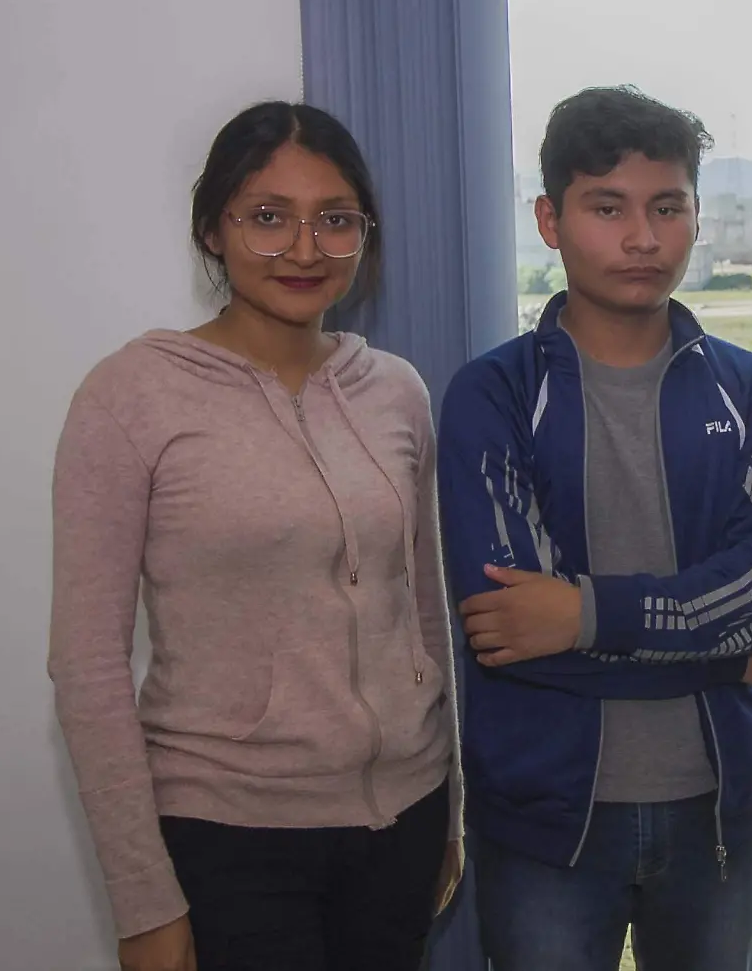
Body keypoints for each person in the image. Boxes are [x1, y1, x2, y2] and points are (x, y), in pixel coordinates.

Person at [50, 102, 463, 971]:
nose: (305, 250)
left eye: (335, 220)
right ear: (212, 230)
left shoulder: (397, 391)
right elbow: (87, 663)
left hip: (403, 821)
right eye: (268, 217)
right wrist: (142, 902)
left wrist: (449, 813)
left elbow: (423, 608)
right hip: (230, 833)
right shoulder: (130, 396)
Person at [436, 86, 752, 971]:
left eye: (667, 207)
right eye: (607, 208)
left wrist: (587, 613)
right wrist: (722, 653)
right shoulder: (493, 395)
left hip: (716, 811)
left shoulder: (747, 389)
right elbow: (511, 629)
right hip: (545, 825)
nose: (642, 238)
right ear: (550, 219)